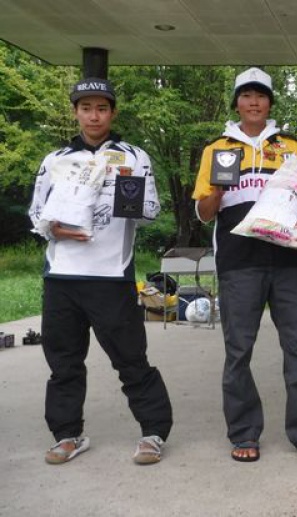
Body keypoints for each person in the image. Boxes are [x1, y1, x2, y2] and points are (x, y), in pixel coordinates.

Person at [29, 77, 173, 465]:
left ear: (113, 112)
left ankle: (153, 432)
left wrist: (130, 200)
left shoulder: (134, 157)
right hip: (61, 276)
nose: (94, 116)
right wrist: (51, 228)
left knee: (131, 359)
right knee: (63, 362)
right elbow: (35, 212)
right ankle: (68, 436)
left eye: (102, 108)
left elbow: (153, 212)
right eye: (86, 108)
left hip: (111, 275)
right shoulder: (54, 159)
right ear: (75, 112)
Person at [192, 67, 297, 463]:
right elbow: (203, 212)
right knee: (238, 352)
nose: (254, 102)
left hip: (288, 261)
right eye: (246, 95)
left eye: (261, 96)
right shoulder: (216, 149)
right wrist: (218, 189)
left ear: (270, 102)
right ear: (236, 102)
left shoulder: (290, 147)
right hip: (238, 263)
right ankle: (244, 433)